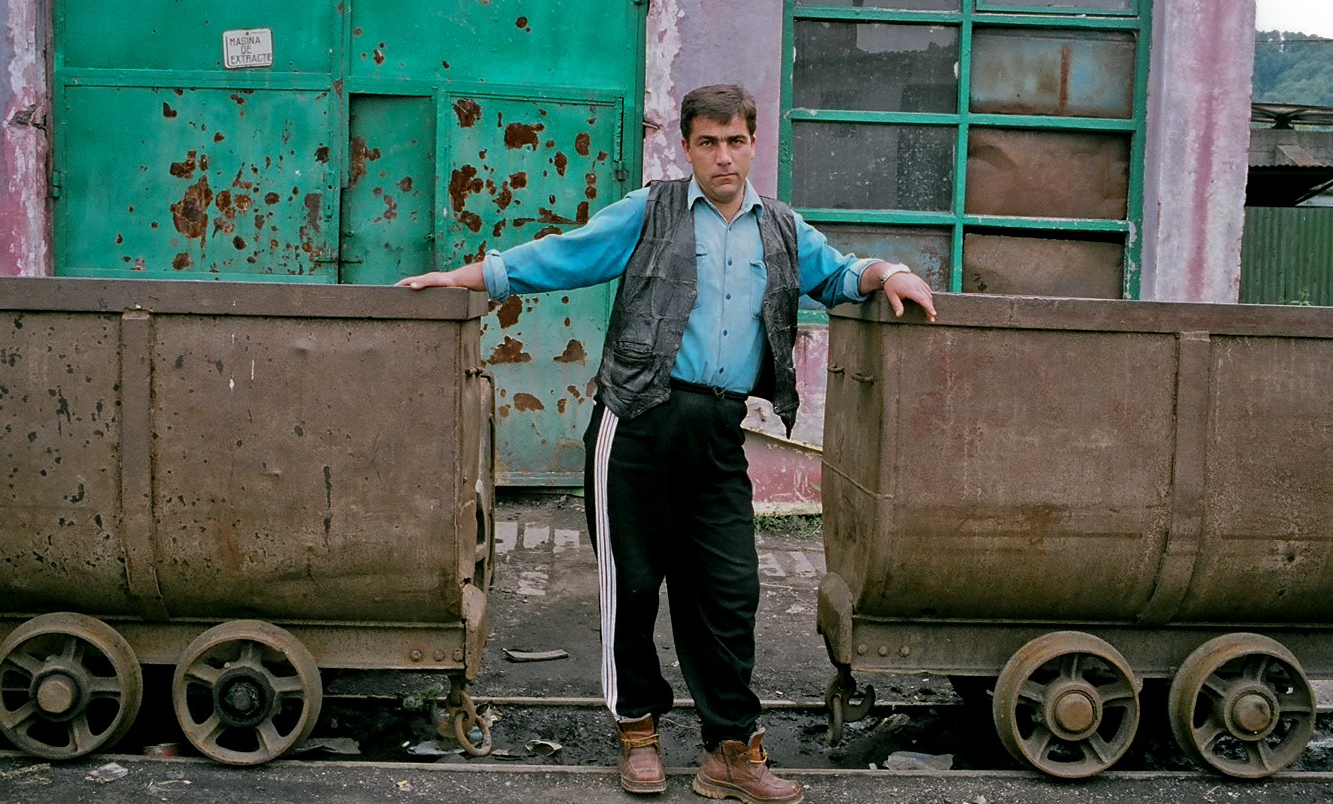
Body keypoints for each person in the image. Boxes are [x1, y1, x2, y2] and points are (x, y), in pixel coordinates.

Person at [400, 84, 936, 804]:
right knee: (634, 588)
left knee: (729, 591)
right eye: (708, 141)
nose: (723, 155)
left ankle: (730, 752)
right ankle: (639, 732)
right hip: (636, 421)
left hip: (718, 432)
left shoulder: (779, 228)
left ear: (754, 144)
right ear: (685, 146)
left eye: (736, 140)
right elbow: (564, 257)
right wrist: (466, 277)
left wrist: (889, 272)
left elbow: (837, 275)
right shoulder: (650, 211)